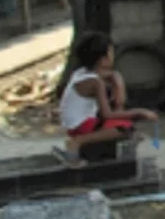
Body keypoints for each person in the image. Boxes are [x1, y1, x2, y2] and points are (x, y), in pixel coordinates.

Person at [55, 32, 157, 167]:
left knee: (124, 120)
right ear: (103, 60)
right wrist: (139, 112)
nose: (113, 56)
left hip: (77, 122)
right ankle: (78, 142)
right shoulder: (96, 83)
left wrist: (117, 80)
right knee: (126, 127)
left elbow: (115, 89)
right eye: (111, 53)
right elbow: (107, 114)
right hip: (79, 125)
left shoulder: (81, 72)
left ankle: (112, 139)